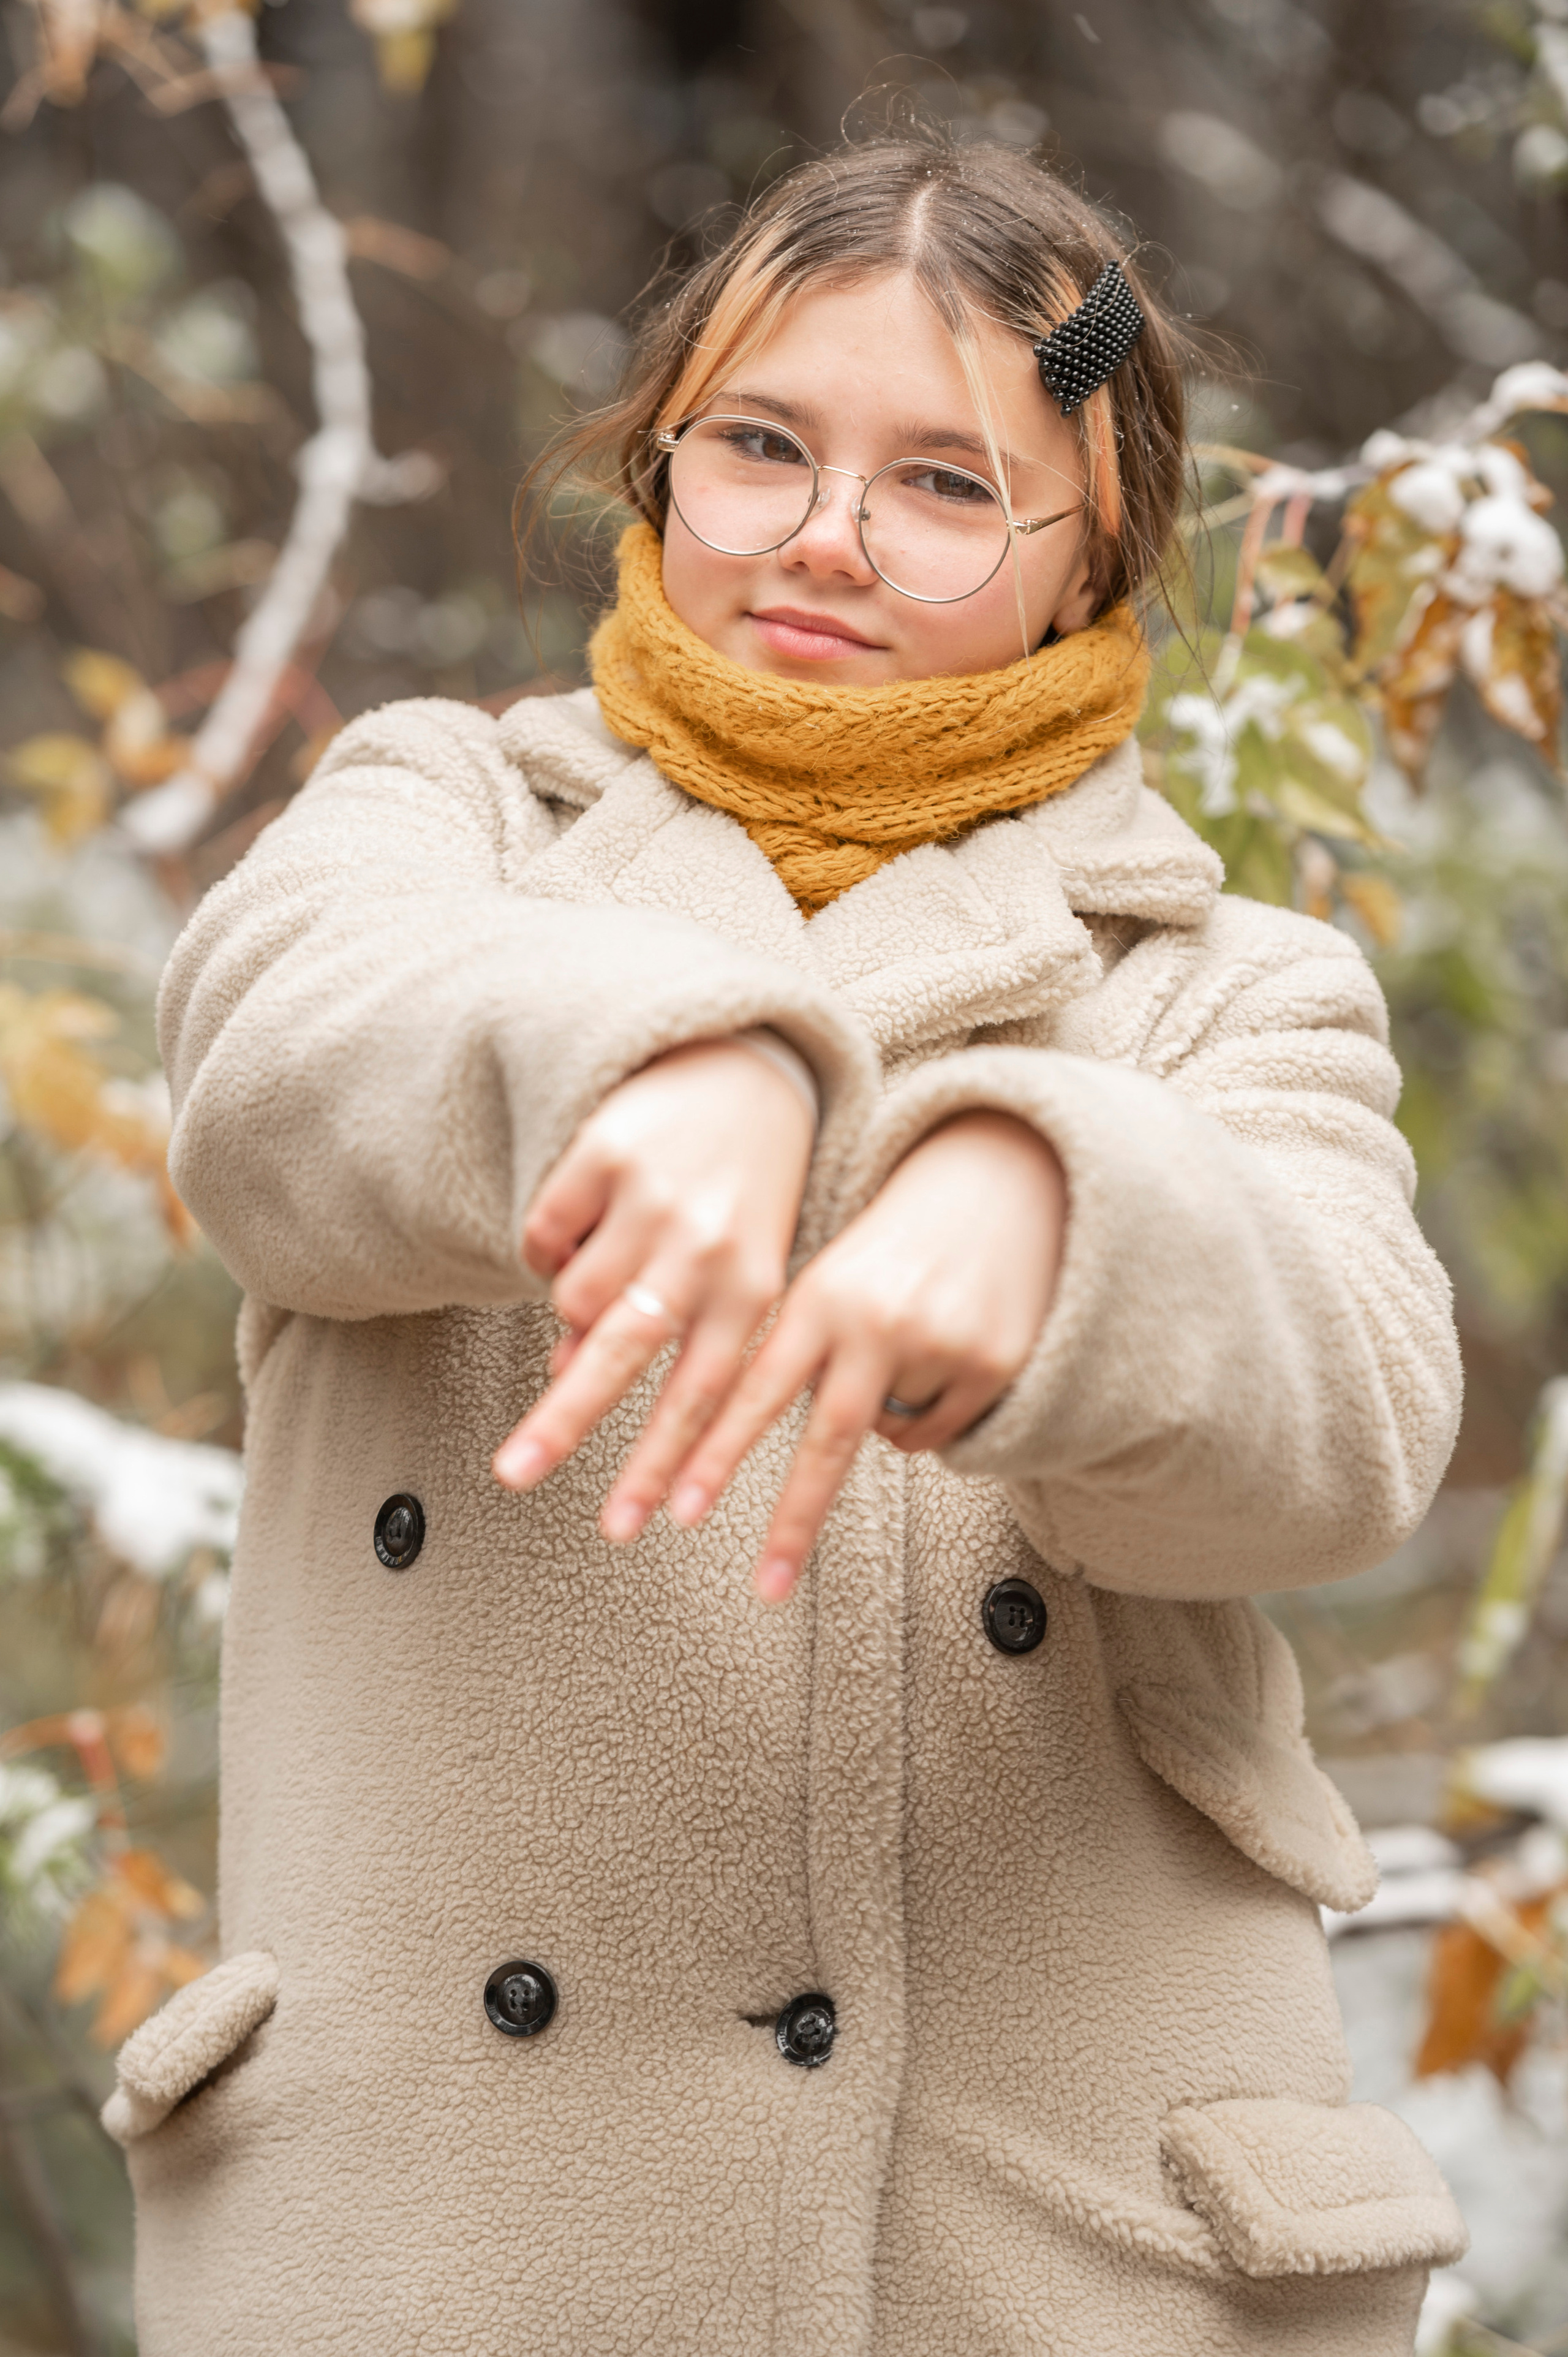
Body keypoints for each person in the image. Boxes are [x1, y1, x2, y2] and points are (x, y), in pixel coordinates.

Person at [107, 133, 1468, 2356]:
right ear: (659, 461)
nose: (827, 534)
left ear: (1091, 541)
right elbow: (272, 1071)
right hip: (451, 2233)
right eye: (760, 445)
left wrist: (1050, 1203)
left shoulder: (1231, 983)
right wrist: (656, 1059)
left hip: (1045, 2245)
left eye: (947, 483)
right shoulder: (453, 812)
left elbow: (1347, 1414)